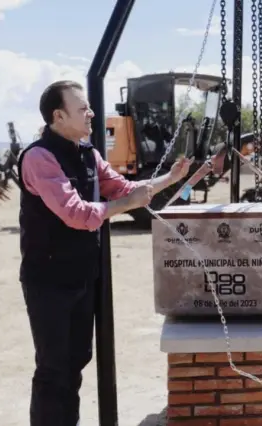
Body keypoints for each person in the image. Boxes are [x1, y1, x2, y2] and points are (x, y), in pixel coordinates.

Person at [18, 80, 194, 426]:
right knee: (54, 369)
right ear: (58, 115)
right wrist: (125, 203)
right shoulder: (39, 157)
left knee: (76, 361)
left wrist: (170, 179)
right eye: (82, 108)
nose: (91, 113)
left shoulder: (88, 154)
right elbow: (77, 214)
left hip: (84, 275)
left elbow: (126, 189)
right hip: (50, 281)